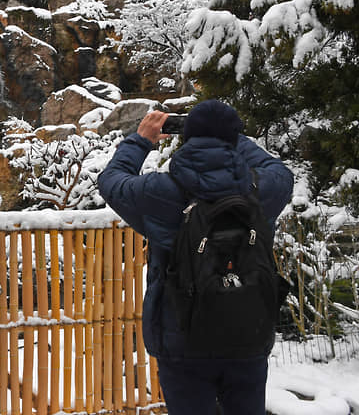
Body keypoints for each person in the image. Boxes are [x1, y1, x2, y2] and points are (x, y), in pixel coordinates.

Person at [97, 100, 293, 415]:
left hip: (182, 338)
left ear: (188, 137)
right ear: (234, 138)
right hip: (249, 333)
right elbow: (279, 171)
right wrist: (231, 137)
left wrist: (141, 140)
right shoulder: (262, 189)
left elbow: (111, 182)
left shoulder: (159, 191)